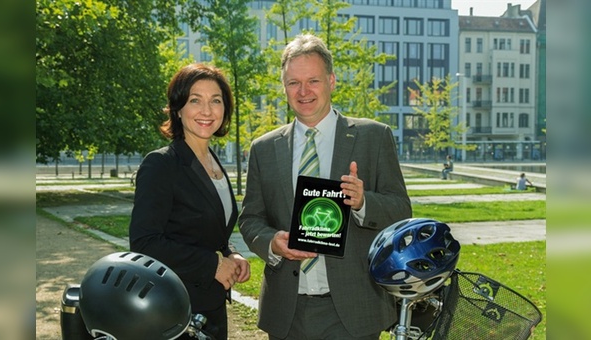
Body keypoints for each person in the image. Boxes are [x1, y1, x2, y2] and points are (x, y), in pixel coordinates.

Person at [239, 33, 412, 339]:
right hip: (287, 311)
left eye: (313, 81)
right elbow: (250, 218)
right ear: (284, 87)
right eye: (293, 83)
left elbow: (401, 210)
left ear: (331, 81)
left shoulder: (373, 137)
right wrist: (271, 243)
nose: (303, 91)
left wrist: (363, 202)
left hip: (353, 311)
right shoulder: (263, 149)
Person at [129, 63, 250, 340]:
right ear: (178, 108)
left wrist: (231, 253)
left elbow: (207, 231)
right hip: (173, 312)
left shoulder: (215, 163)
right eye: (195, 100)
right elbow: (144, 242)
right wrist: (213, 265)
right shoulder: (161, 164)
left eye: (215, 101)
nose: (207, 111)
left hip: (212, 308)